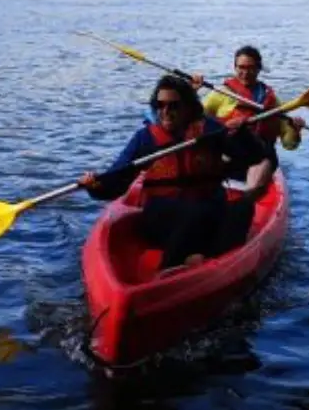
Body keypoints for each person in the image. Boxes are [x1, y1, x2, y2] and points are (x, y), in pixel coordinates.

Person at [77, 75, 273, 272]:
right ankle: (170, 267)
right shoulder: (145, 139)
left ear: (188, 107)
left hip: (209, 214)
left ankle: (209, 258)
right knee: (194, 212)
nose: (166, 112)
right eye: (160, 105)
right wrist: (96, 185)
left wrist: (243, 136)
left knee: (243, 207)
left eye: (174, 106)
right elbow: (116, 182)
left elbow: (255, 157)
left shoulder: (210, 130)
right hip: (162, 220)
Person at [190, 45, 304, 175]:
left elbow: (289, 145)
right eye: (241, 68)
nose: (245, 73)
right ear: (235, 68)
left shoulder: (272, 101)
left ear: (259, 68)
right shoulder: (221, 94)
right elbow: (195, 119)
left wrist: (295, 131)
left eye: (251, 68)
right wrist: (192, 92)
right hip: (229, 158)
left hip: (262, 160)